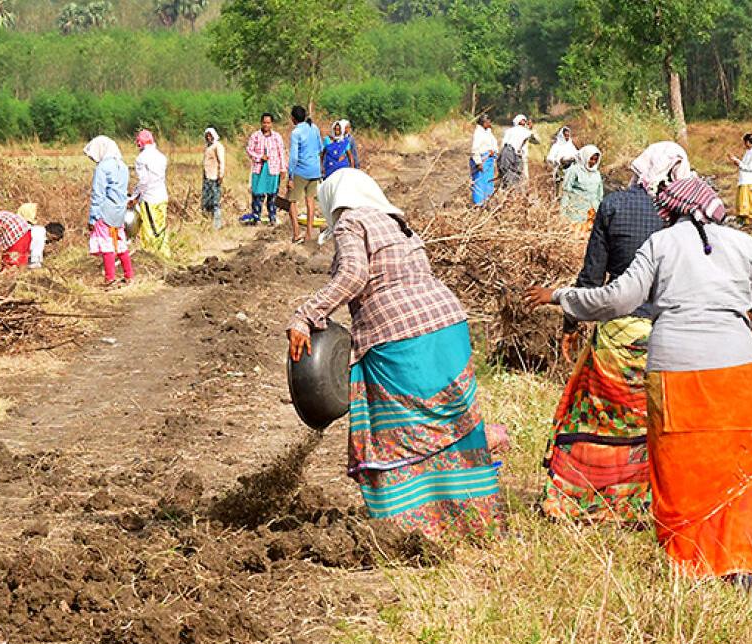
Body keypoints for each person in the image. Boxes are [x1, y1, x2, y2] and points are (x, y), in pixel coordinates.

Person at [527, 175, 752, 584]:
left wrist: (561, 296)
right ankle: (737, 565)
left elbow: (618, 299)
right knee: (734, 465)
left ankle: (686, 566)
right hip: (734, 370)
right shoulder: (744, 245)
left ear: (671, 210)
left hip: (674, 369)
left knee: (677, 465)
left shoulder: (661, 244)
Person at [286, 169, 502, 539]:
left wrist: (307, 315)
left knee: (399, 433)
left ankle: (406, 530)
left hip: (401, 339)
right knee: (450, 425)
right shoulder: (396, 223)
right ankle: (471, 523)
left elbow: (354, 275)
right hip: (448, 327)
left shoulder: (351, 222)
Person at [539, 144, 672, 525]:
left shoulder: (612, 206)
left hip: (616, 333)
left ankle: (581, 498)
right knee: (653, 424)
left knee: (593, 419)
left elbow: (591, 277)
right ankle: (645, 505)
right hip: (664, 336)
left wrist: (570, 324)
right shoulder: (678, 216)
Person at [83, 136, 134, 286]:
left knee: (106, 246)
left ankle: (110, 278)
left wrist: (93, 219)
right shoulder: (123, 166)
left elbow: (98, 194)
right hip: (119, 212)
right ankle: (129, 275)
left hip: (104, 213)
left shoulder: (102, 168)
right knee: (120, 243)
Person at [286, 105, 325, 244]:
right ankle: (309, 232)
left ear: (293, 118)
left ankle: (296, 233)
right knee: (310, 201)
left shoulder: (296, 133)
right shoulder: (314, 128)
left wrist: (290, 176)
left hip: (300, 171)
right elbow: (321, 148)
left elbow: (294, 157)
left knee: (292, 201)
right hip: (314, 170)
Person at [130, 129, 170, 258]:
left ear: (140, 143)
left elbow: (144, 181)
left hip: (149, 199)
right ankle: (165, 255)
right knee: (161, 227)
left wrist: (134, 196)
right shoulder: (161, 156)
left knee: (149, 230)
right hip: (162, 196)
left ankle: (150, 258)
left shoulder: (141, 158)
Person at [244, 112, 286, 226]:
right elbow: (249, 150)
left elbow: (281, 152)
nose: (266, 125)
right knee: (258, 195)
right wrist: (259, 157)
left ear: (271, 124)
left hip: (273, 169)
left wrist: (283, 169)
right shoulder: (255, 136)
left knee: (272, 195)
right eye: (264, 122)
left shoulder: (277, 137)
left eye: (268, 123)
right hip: (259, 169)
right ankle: (256, 217)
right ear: (261, 123)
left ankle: (272, 217)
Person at [559, 145, 604, 229]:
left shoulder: (597, 174)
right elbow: (566, 192)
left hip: (591, 212)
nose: (593, 162)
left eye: (595, 160)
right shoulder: (574, 171)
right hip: (575, 212)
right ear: (585, 157)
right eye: (591, 159)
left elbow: (599, 195)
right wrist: (562, 213)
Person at [729, 133, 752, 227]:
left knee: (750, 201)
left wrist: (739, 163)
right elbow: (744, 164)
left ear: (747, 142)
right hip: (744, 180)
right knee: (742, 201)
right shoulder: (749, 152)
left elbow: (751, 167)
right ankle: (745, 220)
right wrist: (737, 161)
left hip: (750, 181)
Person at [502, 114, 538, 184]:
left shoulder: (524, 131)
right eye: (523, 120)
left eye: (525, 120)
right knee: (520, 175)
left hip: (514, 156)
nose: (524, 122)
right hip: (515, 156)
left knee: (513, 175)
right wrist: (531, 130)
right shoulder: (524, 131)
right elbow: (536, 141)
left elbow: (536, 141)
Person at [470, 114, 497, 206]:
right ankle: (478, 204)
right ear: (484, 123)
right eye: (488, 121)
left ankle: (487, 202)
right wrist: (478, 162)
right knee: (479, 183)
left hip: (489, 160)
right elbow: (474, 149)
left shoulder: (488, 132)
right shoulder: (478, 133)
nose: (490, 123)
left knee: (489, 182)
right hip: (482, 160)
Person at [202, 127, 225, 230]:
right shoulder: (208, 147)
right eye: (207, 135)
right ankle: (207, 223)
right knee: (207, 201)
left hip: (214, 177)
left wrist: (221, 175)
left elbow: (221, 161)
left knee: (215, 202)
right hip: (207, 177)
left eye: (210, 135)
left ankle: (217, 225)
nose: (208, 137)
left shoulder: (218, 146)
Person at [546, 125, 578, 191]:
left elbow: (576, 155)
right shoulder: (556, 146)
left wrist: (573, 159)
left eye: (568, 135)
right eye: (565, 135)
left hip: (571, 170)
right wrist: (558, 161)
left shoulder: (571, 146)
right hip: (560, 170)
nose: (567, 137)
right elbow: (550, 158)